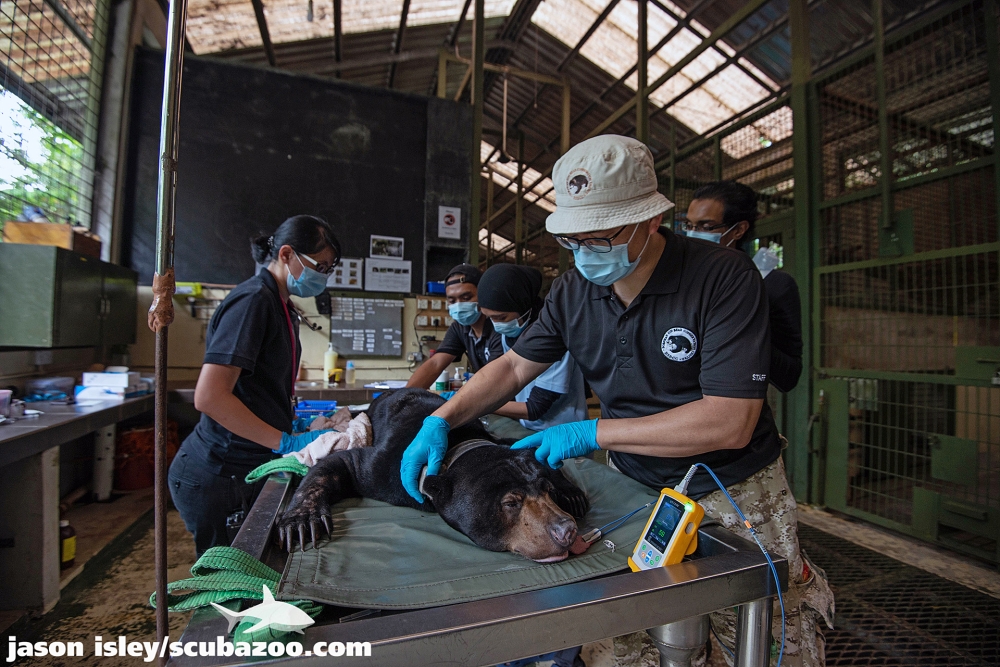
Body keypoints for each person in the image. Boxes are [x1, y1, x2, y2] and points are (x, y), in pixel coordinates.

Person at [400, 136, 833, 667]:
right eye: (573, 240)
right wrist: (441, 418)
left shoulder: (721, 277)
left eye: (599, 238)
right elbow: (513, 367)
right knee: (629, 636)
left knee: (762, 630)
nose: (584, 253)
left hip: (734, 485)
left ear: (650, 220)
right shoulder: (573, 291)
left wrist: (590, 432)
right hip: (637, 486)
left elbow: (729, 420)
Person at [169, 215, 341, 556]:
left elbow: (258, 387)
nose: (323, 277)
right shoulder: (253, 302)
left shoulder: (280, 305)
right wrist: (286, 440)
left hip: (247, 464)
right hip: (220, 471)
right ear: (287, 254)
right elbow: (210, 396)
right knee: (229, 578)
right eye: (319, 267)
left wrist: (290, 422)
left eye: (328, 269)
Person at [684, 181, 802, 391]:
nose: (693, 234)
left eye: (706, 227)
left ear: (738, 230)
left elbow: (789, 376)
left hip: (734, 410)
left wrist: (744, 326)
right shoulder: (681, 280)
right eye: (689, 225)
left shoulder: (773, 285)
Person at [476, 263, 588, 437]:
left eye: (501, 317)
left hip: (564, 432)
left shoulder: (554, 337)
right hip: (529, 428)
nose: (496, 325)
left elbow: (534, 408)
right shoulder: (510, 334)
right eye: (490, 318)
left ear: (521, 304)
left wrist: (477, 404)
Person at [406, 263, 503, 389]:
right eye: (452, 301)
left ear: (483, 295)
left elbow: (491, 379)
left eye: (466, 298)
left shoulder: (499, 327)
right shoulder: (460, 328)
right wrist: (403, 398)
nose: (459, 305)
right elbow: (435, 363)